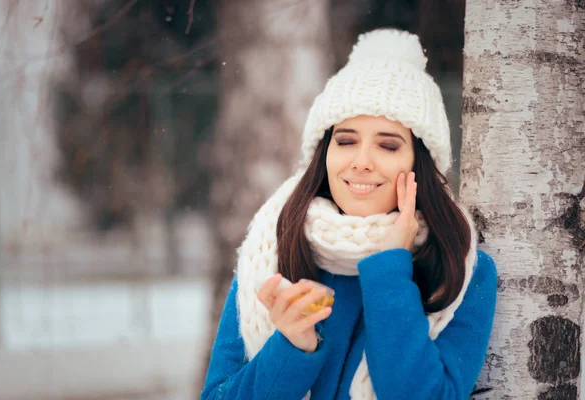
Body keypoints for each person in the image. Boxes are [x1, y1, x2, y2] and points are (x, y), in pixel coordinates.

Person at [201, 29, 497, 400]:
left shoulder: (462, 268)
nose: (361, 162)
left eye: (388, 146)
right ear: (323, 154)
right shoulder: (272, 252)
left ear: (419, 164)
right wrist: (294, 347)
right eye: (345, 141)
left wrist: (391, 269)